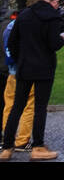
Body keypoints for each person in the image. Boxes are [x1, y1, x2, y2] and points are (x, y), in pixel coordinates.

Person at [0, 0, 64, 161]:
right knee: (39, 108)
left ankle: (7, 146)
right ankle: (37, 146)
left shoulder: (24, 15)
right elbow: (54, 44)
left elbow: (12, 43)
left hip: (24, 67)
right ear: (55, 1)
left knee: (17, 107)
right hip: (44, 68)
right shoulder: (52, 18)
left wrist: (20, 59)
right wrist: (61, 41)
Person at [2, 12, 34, 153]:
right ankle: (22, 140)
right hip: (26, 70)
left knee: (9, 104)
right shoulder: (27, 27)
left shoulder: (8, 27)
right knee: (28, 105)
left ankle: (7, 136)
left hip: (11, 70)